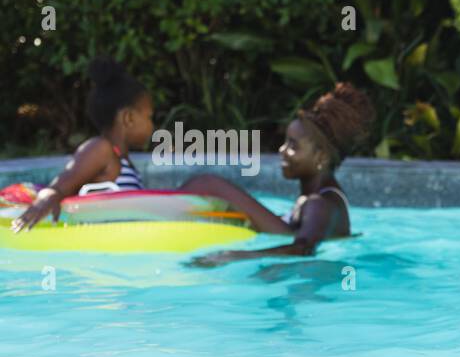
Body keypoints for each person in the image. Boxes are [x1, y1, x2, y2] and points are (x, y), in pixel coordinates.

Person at [185, 83, 374, 267]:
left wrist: (234, 256)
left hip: (306, 275)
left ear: (321, 156)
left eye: (293, 145)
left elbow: (303, 249)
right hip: (295, 252)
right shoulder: (321, 197)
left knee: (209, 184)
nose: (282, 150)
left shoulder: (320, 204)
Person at [9, 57, 153, 232]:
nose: (152, 125)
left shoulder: (124, 161)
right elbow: (59, 186)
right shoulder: (101, 149)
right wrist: (44, 201)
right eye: (149, 117)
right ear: (128, 118)